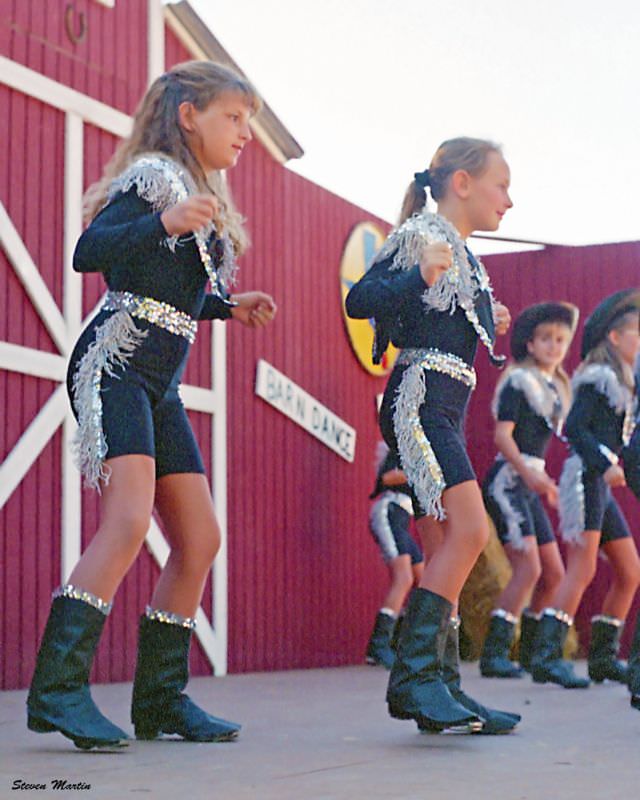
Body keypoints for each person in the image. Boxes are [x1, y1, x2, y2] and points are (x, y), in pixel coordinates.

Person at [26, 61, 276, 750]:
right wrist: (162, 218)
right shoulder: (153, 178)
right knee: (129, 520)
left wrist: (227, 306)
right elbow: (90, 252)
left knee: (199, 539)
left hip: (158, 382)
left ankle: (161, 700)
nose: (246, 133)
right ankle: (57, 691)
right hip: (115, 365)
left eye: (250, 121)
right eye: (235, 117)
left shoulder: (197, 195)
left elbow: (168, 283)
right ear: (190, 115)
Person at [346, 137, 520, 734]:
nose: (510, 199)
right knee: (471, 531)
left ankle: (443, 685)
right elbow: (361, 298)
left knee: (447, 540)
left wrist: (482, 318)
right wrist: (420, 274)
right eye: (502, 184)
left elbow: (431, 313)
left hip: (440, 405)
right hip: (419, 400)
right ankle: (415, 679)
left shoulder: (464, 256)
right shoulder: (423, 235)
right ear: (463, 183)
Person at [531, 289, 640, 689]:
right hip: (585, 476)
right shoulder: (598, 377)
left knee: (630, 571)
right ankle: (546, 655)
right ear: (615, 338)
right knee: (583, 566)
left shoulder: (623, 380)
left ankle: (603, 658)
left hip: (601, 480)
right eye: (637, 334)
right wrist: (605, 462)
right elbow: (575, 429)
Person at [480, 303, 577, 678]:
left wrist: (543, 482)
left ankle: (534, 656)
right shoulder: (519, 382)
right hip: (508, 481)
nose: (554, 346)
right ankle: (495, 653)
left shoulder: (554, 388)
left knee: (554, 572)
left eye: (561, 340)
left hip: (531, 483)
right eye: (546, 339)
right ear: (530, 344)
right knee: (529, 567)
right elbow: (502, 437)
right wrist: (530, 475)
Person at [365, 443, 424, 668]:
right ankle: (379, 646)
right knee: (404, 578)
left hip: (404, 519)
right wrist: (417, 473)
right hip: (389, 511)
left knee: (424, 579)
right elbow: (387, 478)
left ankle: (403, 643)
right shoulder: (402, 447)